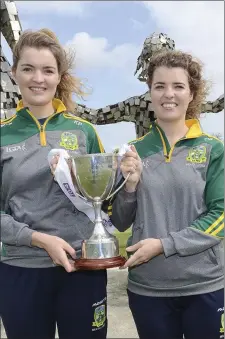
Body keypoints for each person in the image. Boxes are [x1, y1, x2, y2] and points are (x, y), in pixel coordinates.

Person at [0, 29, 108, 339]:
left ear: (59, 76)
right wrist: (38, 239)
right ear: (14, 73)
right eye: (28, 68)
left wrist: (128, 184)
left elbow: (105, 204)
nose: (38, 78)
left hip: (82, 268)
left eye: (48, 70)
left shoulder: (84, 132)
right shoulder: (2, 133)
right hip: (21, 270)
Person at [110, 50, 224, 339]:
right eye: (159, 86)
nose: (168, 94)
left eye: (178, 86)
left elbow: (220, 216)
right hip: (149, 288)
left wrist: (164, 245)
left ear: (192, 92)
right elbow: (120, 222)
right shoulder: (133, 151)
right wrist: (131, 186)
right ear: (150, 92)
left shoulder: (213, 149)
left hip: (205, 285)